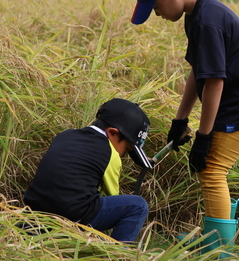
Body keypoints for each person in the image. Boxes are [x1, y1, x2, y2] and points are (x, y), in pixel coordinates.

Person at [130, 0, 239, 250]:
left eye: (156, 7)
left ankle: (218, 250)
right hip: (235, 98)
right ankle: (214, 237)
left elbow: (215, 82)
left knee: (212, 170)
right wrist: (180, 120)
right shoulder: (196, 15)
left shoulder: (208, 21)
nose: (157, 15)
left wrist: (203, 136)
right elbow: (199, 71)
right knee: (211, 169)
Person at [24, 98, 151, 243]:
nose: (123, 155)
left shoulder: (65, 135)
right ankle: (118, 256)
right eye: (127, 149)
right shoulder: (111, 153)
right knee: (137, 206)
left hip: (35, 211)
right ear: (113, 133)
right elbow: (113, 196)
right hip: (73, 215)